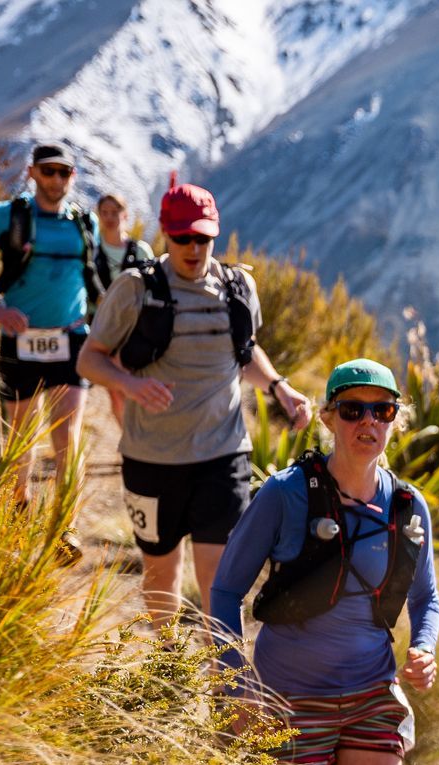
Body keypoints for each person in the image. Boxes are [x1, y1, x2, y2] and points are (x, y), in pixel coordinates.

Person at [209, 359, 439, 765]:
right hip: (291, 698)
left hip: (370, 694)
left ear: (394, 420)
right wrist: (238, 683)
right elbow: (223, 593)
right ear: (330, 417)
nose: (369, 422)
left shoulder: (409, 508)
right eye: (354, 410)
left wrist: (424, 647)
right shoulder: (285, 495)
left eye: (382, 411)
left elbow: (425, 597)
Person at [79, 180, 311, 625]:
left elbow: (245, 354)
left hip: (221, 457)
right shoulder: (134, 289)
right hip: (152, 459)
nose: (192, 247)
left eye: (202, 237)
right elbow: (90, 360)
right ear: (165, 233)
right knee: (161, 573)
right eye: (182, 237)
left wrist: (279, 386)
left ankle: (223, 683)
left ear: (214, 235)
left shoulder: (237, 286)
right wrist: (128, 385)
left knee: (221, 580)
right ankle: (169, 670)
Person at [0, 141, 100, 550]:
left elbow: (92, 280)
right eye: (49, 170)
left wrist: (104, 320)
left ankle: (65, 527)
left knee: (67, 435)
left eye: (64, 172)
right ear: (33, 172)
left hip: (70, 339)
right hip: (20, 340)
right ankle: (18, 509)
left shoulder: (83, 223)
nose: (56, 179)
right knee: (20, 434)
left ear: (72, 177)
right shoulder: (7, 217)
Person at [90, 191, 155, 420]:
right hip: (102, 327)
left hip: (135, 329)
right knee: (116, 387)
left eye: (114, 212)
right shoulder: (91, 251)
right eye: (104, 212)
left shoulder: (141, 251)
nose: (109, 218)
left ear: (124, 215)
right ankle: (128, 440)